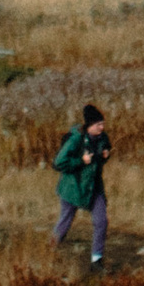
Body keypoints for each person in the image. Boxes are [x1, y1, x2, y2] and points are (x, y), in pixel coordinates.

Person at [52, 102, 111, 266]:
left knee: (101, 222)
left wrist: (105, 155)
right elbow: (58, 163)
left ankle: (96, 260)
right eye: (98, 124)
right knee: (65, 222)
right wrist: (80, 161)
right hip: (72, 188)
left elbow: (104, 151)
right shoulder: (75, 140)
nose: (102, 127)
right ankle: (49, 250)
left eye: (103, 124)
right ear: (89, 125)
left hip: (93, 187)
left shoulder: (102, 138)